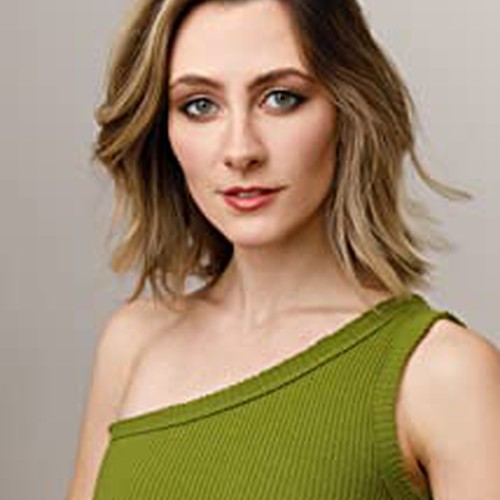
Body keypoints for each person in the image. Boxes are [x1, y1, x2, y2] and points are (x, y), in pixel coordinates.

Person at [66, 0, 500, 498]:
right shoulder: (133, 344)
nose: (240, 151)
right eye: (199, 105)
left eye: (280, 98)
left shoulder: (443, 375)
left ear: (348, 109)